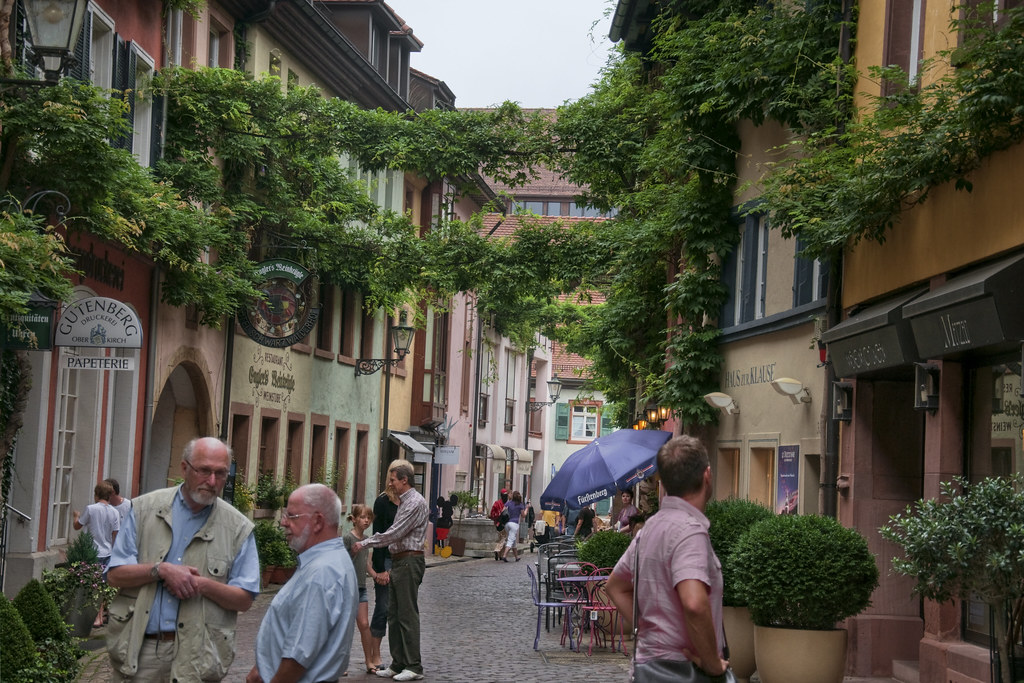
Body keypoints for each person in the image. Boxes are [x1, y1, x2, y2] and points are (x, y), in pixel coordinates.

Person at [106, 437, 260, 682]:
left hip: (199, 659)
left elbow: (244, 600)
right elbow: (115, 575)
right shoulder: (144, 509)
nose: (211, 481)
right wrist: (161, 570)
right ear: (184, 468)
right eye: (204, 470)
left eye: (220, 473)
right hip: (141, 654)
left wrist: (201, 585)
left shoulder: (238, 528)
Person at [606, 435, 730, 683]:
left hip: (649, 668)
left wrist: (651, 631)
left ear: (663, 483)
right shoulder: (689, 531)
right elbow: (694, 602)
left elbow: (615, 586)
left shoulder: (651, 528)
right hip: (685, 671)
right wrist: (712, 663)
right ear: (707, 476)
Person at [247, 484, 357, 683]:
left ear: (317, 522)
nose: (283, 522)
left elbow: (297, 657)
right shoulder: (325, 561)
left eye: (291, 516)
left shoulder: (321, 573)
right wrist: (261, 668)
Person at [353, 460, 429, 682]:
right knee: (394, 615)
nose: (390, 483)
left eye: (393, 479)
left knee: (406, 614)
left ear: (404, 480)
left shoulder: (415, 503)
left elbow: (394, 533)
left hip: (408, 561)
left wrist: (364, 543)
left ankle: (414, 665)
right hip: (399, 561)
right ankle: (398, 663)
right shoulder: (404, 501)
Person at [73, 480, 120, 628]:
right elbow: (115, 534)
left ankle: (95, 617)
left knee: (92, 585)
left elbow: (77, 526)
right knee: (102, 584)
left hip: (92, 551)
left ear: (97, 494)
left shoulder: (91, 509)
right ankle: (100, 616)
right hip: (107, 551)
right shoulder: (115, 512)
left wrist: (76, 515)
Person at [369, 471, 400, 673]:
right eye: (391, 478)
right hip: (386, 559)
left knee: (399, 610)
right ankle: (375, 655)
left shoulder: (410, 502)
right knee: (383, 607)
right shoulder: (382, 502)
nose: (392, 482)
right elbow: (378, 536)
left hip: (404, 559)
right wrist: (380, 569)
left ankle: (400, 657)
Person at [343, 503, 378, 674]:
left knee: (364, 624)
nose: (366, 521)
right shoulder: (348, 539)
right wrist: (353, 552)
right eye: (363, 517)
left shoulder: (367, 540)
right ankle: (340, 663)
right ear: (355, 519)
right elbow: (341, 561)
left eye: (369, 518)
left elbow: (366, 564)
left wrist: (376, 575)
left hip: (362, 587)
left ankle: (369, 661)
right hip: (348, 588)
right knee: (345, 626)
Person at [499, 490, 526, 562]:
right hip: (514, 524)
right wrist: (527, 509)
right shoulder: (520, 504)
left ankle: (516, 557)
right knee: (510, 540)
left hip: (507, 524)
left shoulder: (508, 503)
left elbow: (502, 511)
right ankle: (504, 555)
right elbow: (523, 515)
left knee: (512, 540)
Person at [488, 488, 509, 561]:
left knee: (501, 538)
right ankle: (497, 550)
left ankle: (500, 555)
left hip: (498, 523)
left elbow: (492, 514)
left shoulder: (497, 503)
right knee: (503, 539)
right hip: (503, 523)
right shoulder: (506, 504)